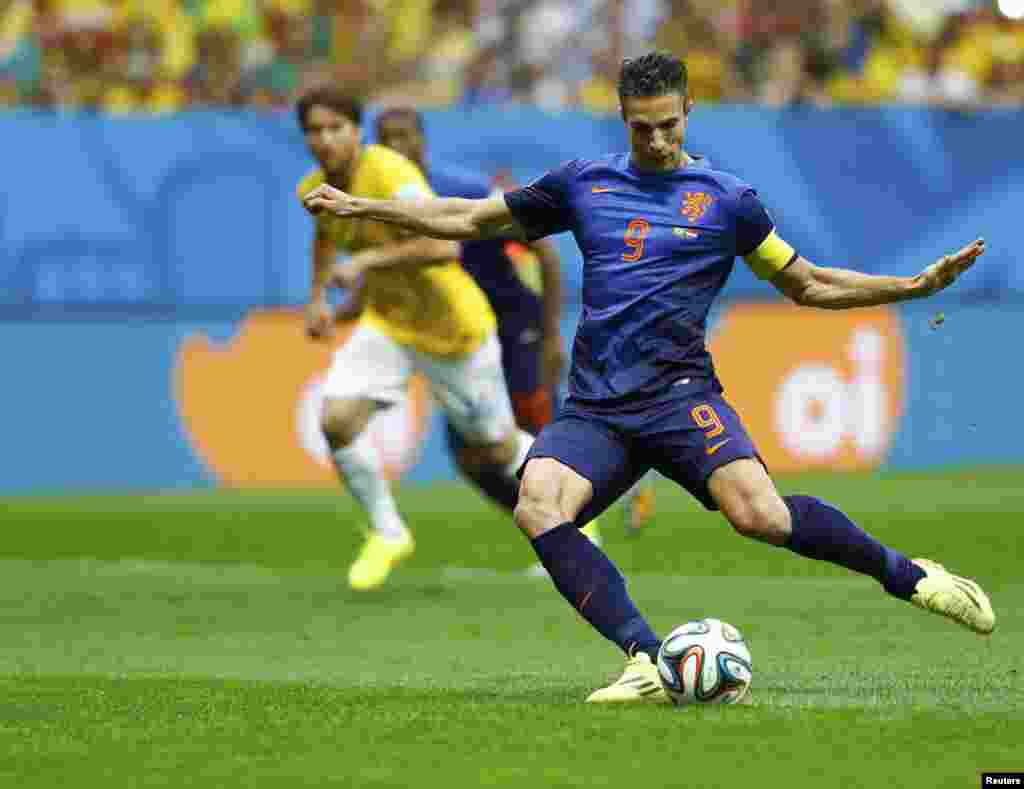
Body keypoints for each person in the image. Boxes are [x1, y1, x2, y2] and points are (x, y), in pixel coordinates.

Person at [301, 52, 995, 704]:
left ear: (689, 112)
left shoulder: (728, 200)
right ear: (623, 117)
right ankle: (644, 658)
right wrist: (367, 209)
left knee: (762, 516)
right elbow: (470, 217)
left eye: (670, 125)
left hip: (680, 396)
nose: (658, 141)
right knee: (538, 503)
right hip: (598, 407)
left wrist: (909, 285)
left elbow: (807, 283)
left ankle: (915, 577)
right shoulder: (584, 183)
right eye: (643, 128)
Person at [295, 86, 535, 592]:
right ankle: (388, 532)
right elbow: (324, 233)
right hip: (389, 325)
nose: (324, 139)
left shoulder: (390, 174)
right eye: (314, 131)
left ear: (356, 131)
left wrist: (365, 262)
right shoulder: (314, 188)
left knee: (496, 448)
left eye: (334, 128)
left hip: (454, 330)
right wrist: (318, 299)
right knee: (336, 421)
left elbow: (443, 247)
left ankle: (578, 503)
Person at [372, 106, 607, 550]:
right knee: (470, 457)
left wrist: (553, 335)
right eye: (387, 138)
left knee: (538, 431)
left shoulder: (463, 190)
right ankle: (551, 526)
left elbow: (546, 255)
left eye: (405, 135)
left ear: (422, 139)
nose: (398, 146)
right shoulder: (383, 205)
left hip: (513, 325)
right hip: (457, 337)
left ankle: (575, 528)